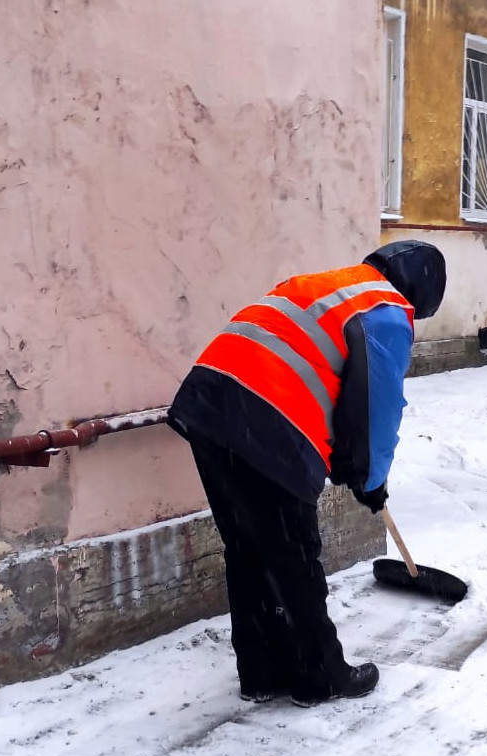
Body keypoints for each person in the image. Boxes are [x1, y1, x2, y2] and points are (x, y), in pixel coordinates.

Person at [167, 241, 446, 707]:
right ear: (420, 294)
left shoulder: (329, 284)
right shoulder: (386, 309)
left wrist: (353, 471)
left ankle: (260, 672)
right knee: (292, 553)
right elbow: (377, 412)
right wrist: (371, 482)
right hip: (266, 418)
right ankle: (320, 677)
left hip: (208, 402)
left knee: (247, 548)